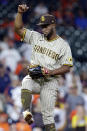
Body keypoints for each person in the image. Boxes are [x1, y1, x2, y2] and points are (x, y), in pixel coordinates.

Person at [14, 4, 73, 131]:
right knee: (26, 81)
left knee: (48, 116)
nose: (43, 29)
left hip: (50, 80)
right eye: (41, 27)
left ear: (53, 25)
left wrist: (51, 72)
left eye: (46, 26)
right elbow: (18, 29)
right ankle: (26, 112)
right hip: (35, 76)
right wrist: (19, 13)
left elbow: (67, 67)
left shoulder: (62, 45)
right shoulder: (36, 37)